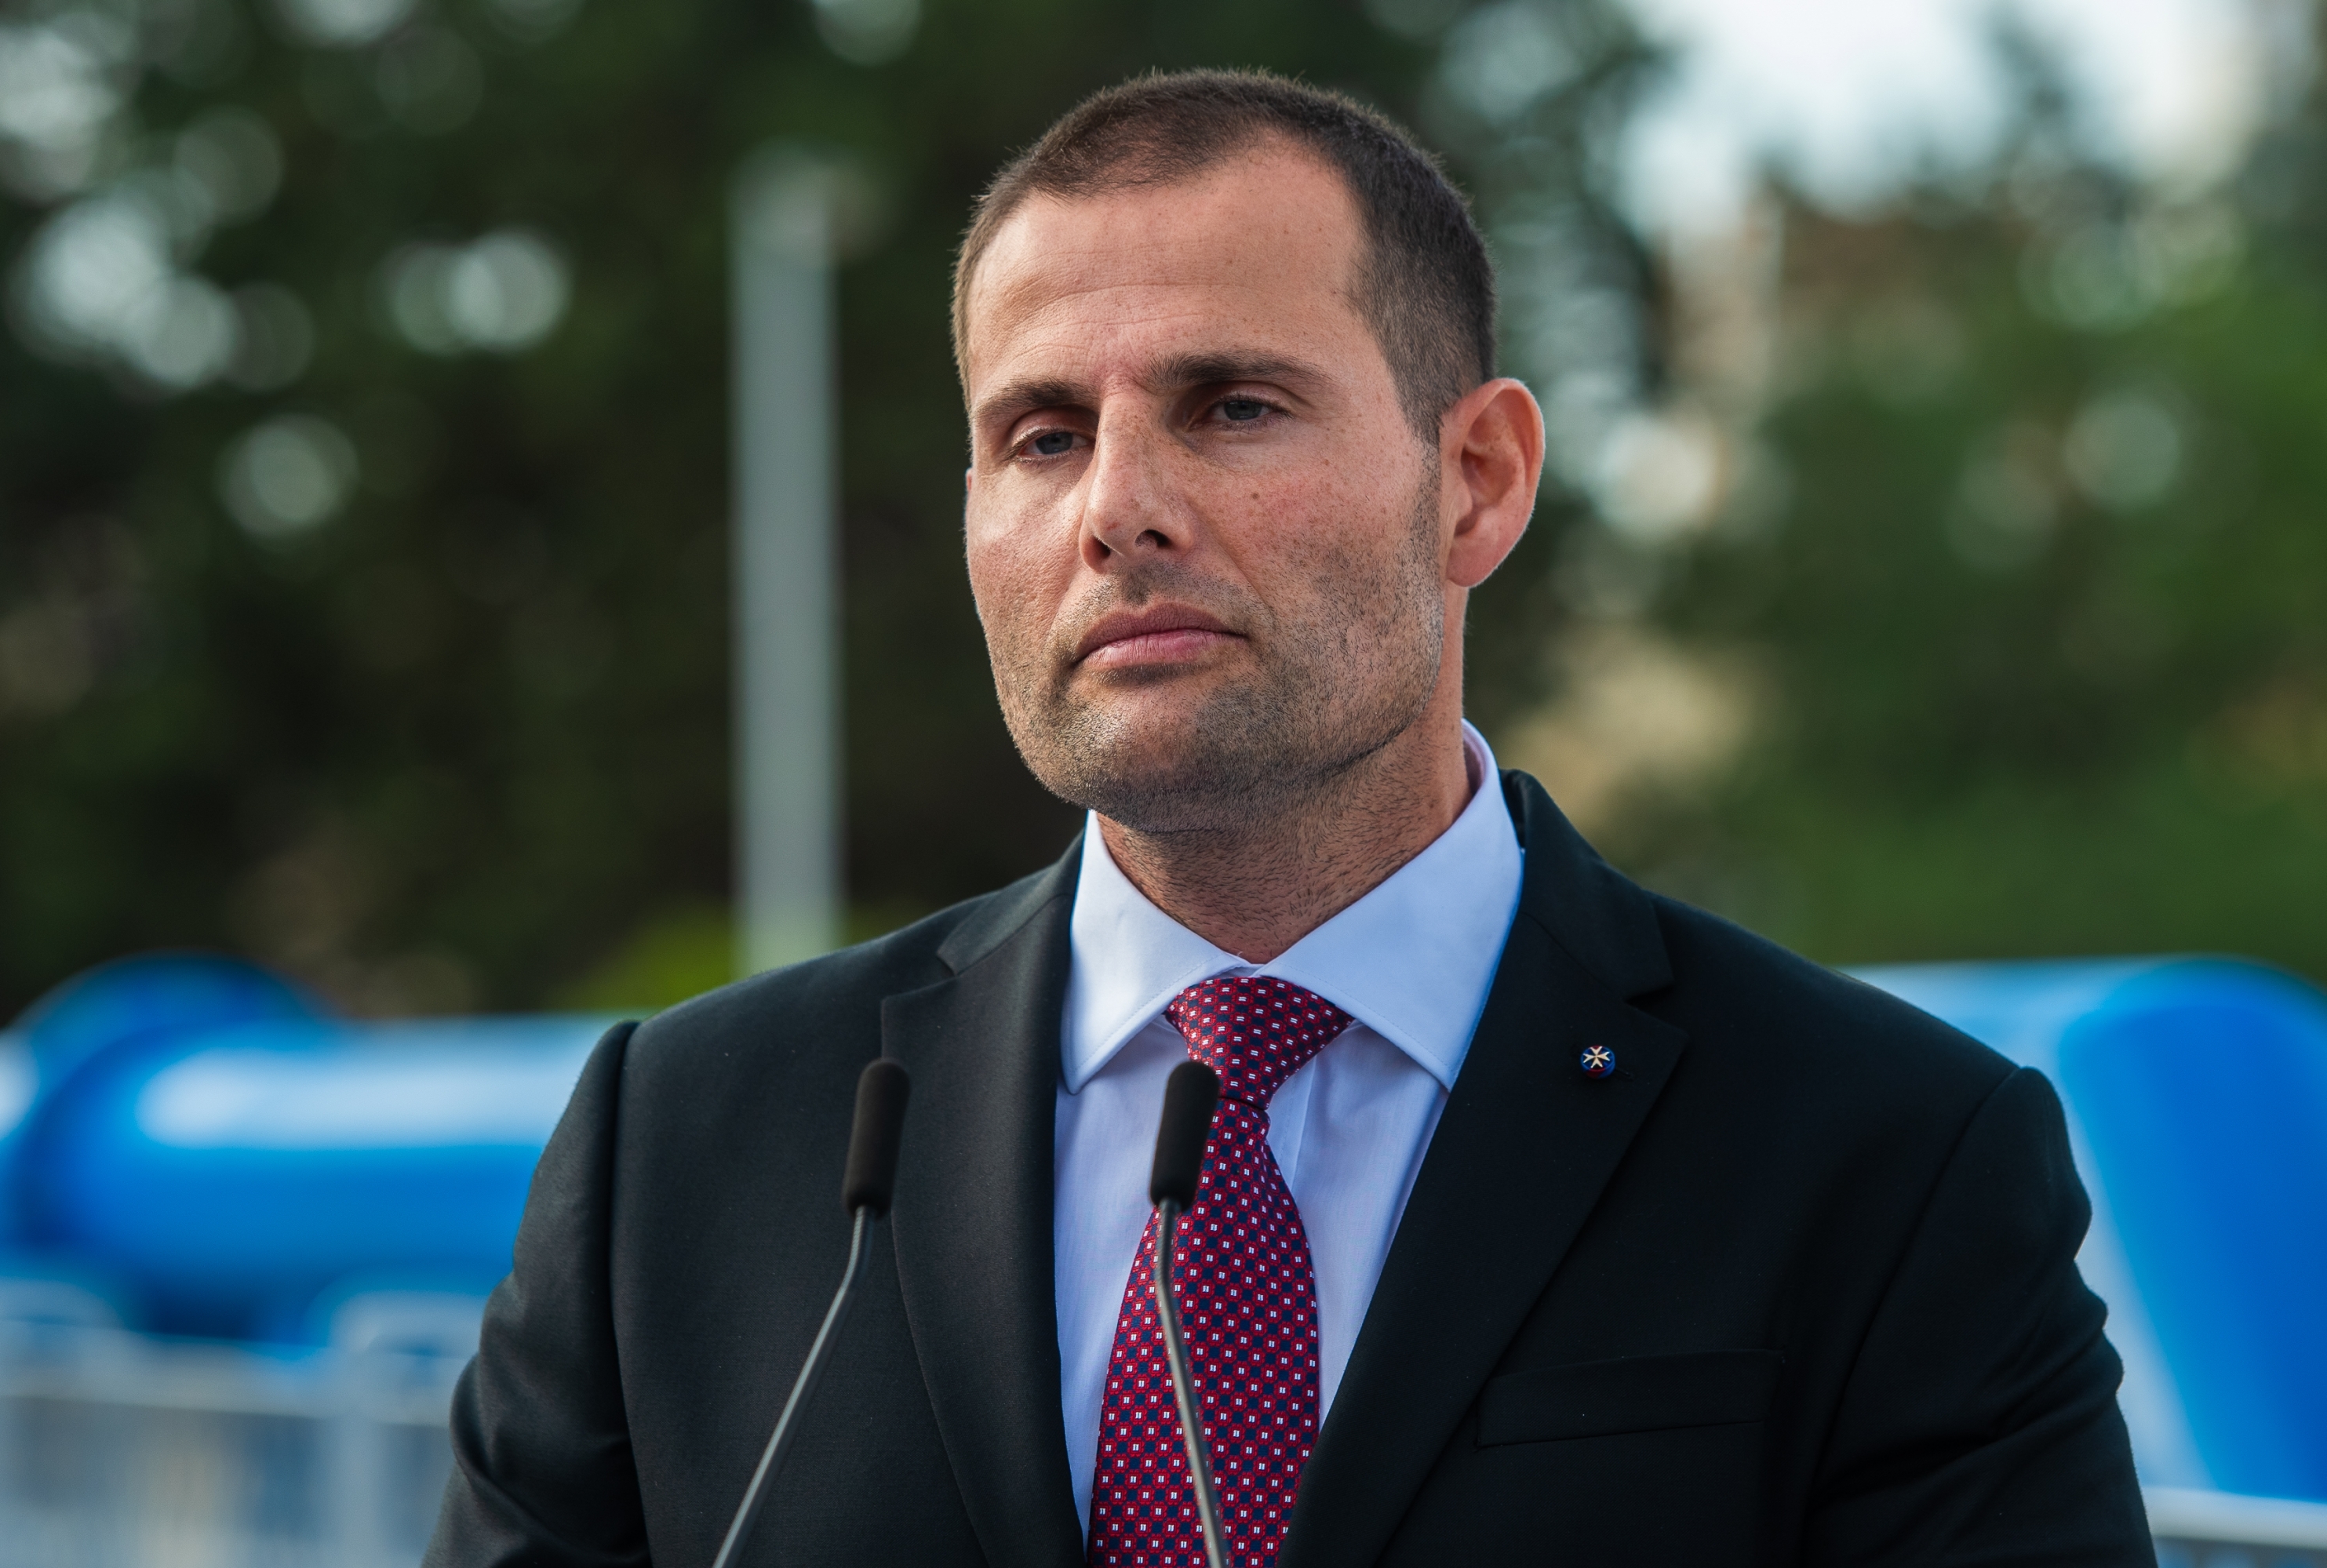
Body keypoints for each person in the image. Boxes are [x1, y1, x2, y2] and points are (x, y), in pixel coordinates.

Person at [425, 71, 2152, 1568]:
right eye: (1042, 435)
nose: (1118, 510)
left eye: (1233, 407)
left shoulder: (1884, 1157)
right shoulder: (685, 1148)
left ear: (1476, 481)